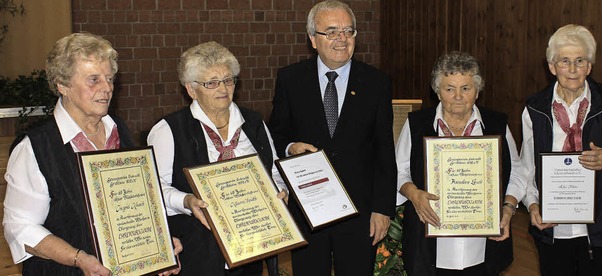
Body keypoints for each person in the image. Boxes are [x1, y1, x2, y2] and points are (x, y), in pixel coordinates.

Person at [2, 33, 181, 275]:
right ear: (62, 85)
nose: (107, 88)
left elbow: (135, 206)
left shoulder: (119, 131)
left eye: (109, 78)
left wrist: (160, 246)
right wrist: (79, 259)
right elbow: (20, 227)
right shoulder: (36, 147)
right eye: (93, 79)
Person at [267, 1, 397, 275]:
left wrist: (382, 209)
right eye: (332, 31)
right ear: (313, 39)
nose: (342, 39)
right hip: (308, 207)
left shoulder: (377, 83)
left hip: (360, 210)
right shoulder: (290, 79)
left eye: (348, 31)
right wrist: (291, 147)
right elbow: (276, 134)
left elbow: (384, 150)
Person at [147, 41, 287, 276]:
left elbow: (273, 172)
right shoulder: (168, 130)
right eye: (211, 83)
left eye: (228, 80)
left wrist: (281, 192)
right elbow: (153, 191)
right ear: (191, 89)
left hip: (251, 250)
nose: (222, 89)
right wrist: (187, 200)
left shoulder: (254, 124)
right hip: (197, 253)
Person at [396, 51, 536, 275]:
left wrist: (507, 210)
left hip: (483, 241)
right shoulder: (417, 124)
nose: (458, 96)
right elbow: (399, 170)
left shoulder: (496, 124)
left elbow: (517, 174)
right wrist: (413, 194)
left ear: (477, 90)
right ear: (438, 92)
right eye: (449, 88)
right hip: (429, 238)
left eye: (465, 88)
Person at [521, 24, 602, 276]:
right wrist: (532, 206)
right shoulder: (535, 108)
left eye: (580, 60)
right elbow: (527, 169)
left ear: (589, 66)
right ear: (552, 67)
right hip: (552, 227)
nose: (572, 69)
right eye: (564, 61)